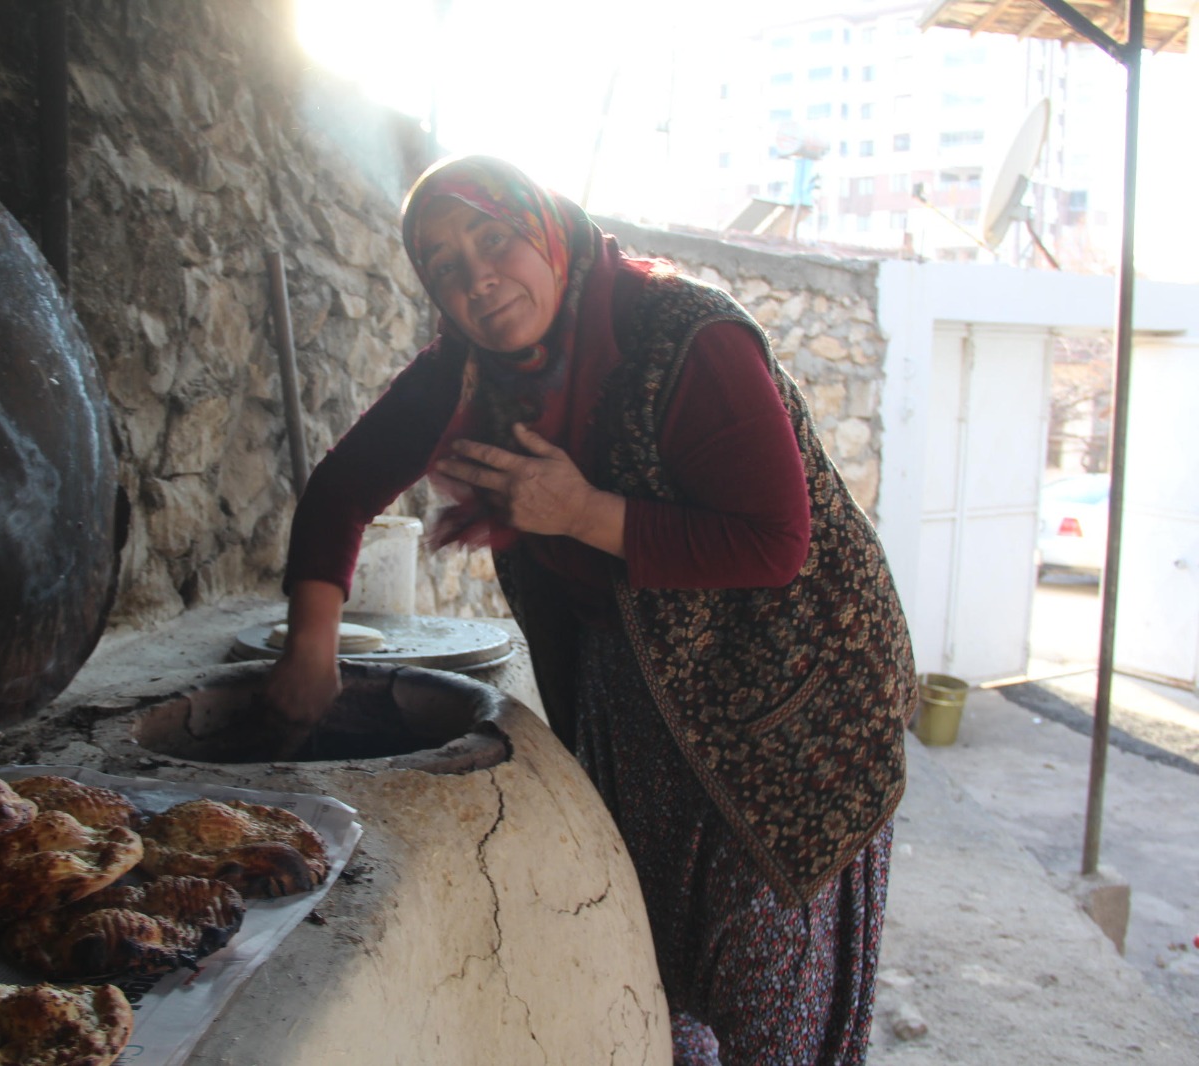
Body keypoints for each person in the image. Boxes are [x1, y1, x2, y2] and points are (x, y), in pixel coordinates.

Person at [265, 154, 916, 1065]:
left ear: (547, 230)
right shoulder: (470, 371)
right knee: (654, 953)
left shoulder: (687, 340)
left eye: (495, 240)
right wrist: (310, 647)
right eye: (446, 266)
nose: (477, 279)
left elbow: (776, 543)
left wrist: (579, 512)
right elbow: (342, 490)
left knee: (767, 978)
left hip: (793, 687)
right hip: (642, 685)